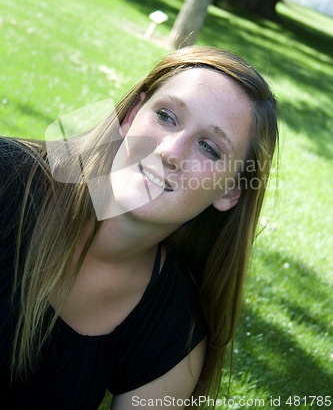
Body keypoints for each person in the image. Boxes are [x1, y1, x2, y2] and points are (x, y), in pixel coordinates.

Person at [0, 46, 278, 409]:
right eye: (166, 116)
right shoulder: (8, 181)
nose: (170, 152)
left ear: (231, 191)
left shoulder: (174, 328)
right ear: (132, 117)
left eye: (208, 148)